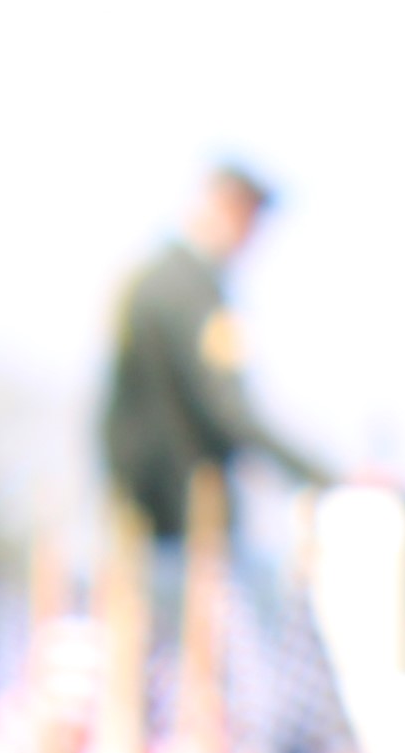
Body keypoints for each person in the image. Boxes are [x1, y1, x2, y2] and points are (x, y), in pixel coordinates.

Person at [102, 164, 325, 547]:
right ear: (231, 210)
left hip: (148, 516)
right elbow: (230, 411)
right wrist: (323, 476)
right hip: (183, 524)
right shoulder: (196, 295)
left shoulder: (152, 281)